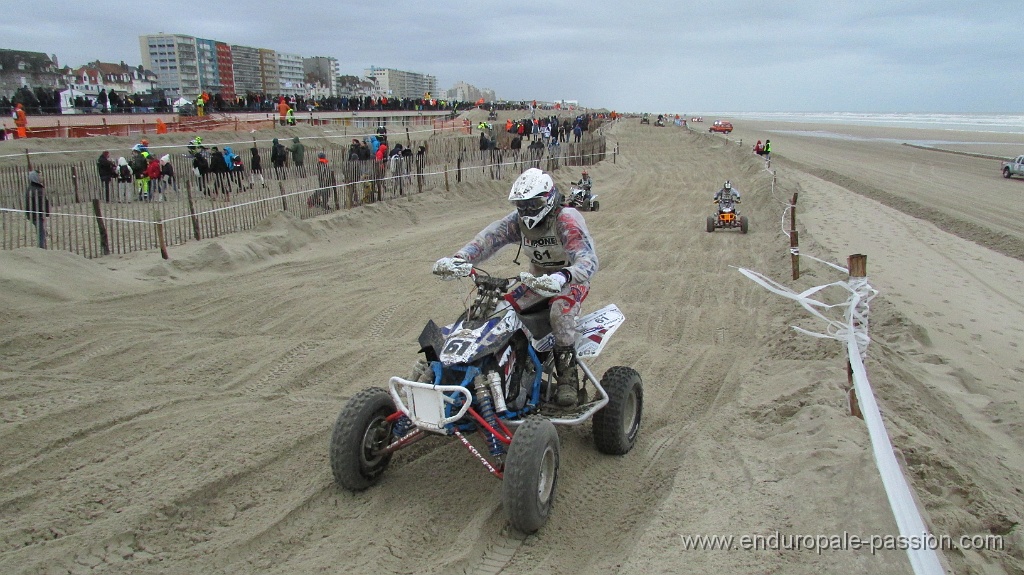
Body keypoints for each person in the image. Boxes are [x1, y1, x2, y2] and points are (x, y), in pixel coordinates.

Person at [432, 168, 599, 407]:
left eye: (534, 203)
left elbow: (588, 260)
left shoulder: (566, 219)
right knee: (500, 310)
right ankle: (499, 367)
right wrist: (460, 259)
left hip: (571, 280)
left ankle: (567, 378)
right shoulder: (517, 221)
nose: (528, 210)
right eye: (523, 204)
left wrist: (563, 276)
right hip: (536, 280)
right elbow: (489, 239)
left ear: (549, 198)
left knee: (559, 312)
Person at [24, 169, 49, 248]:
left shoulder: (33, 188)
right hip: (37, 216)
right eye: (40, 175)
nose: (42, 177)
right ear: (35, 177)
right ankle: (41, 249)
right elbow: (42, 203)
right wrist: (45, 213)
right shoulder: (36, 190)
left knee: (42, 232)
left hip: (35, 215)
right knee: (41, 233)